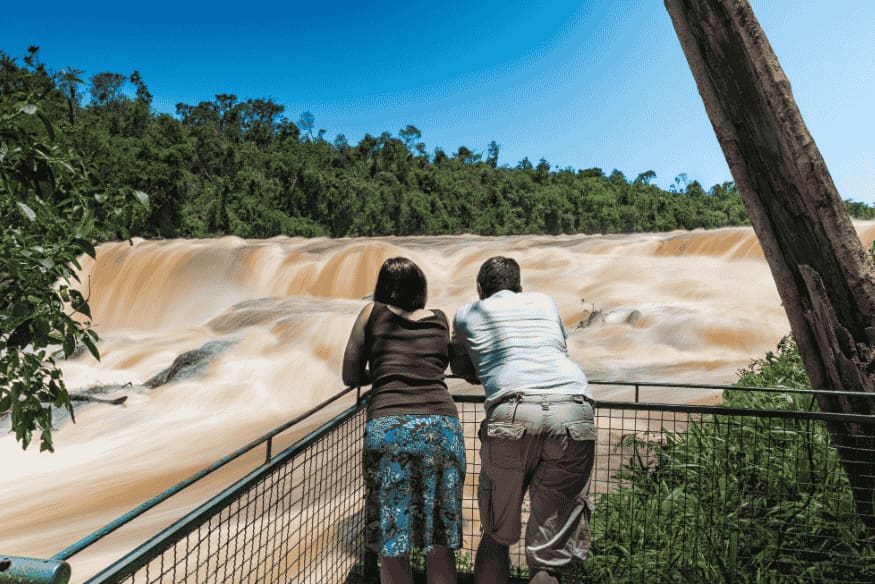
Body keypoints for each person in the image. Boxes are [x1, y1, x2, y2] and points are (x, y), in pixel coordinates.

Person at [450, 256, 596, 584]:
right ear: (519, 287)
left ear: (480, 290)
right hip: (573, 409)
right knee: (548, 558)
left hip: (512, 411)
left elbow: (461, 367)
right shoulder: (544, 302)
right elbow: (556, 347)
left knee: (496, 534)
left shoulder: (467, 313)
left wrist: (482, 370)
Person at [343, 257, 466, 584]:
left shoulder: (371, 312)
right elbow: (448, 363)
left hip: (390, 426)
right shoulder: (440, 319)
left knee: (393, 541)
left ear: (383, 288)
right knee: (439, 539)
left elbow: (350, 374)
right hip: (441, 427)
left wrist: (385, 373)